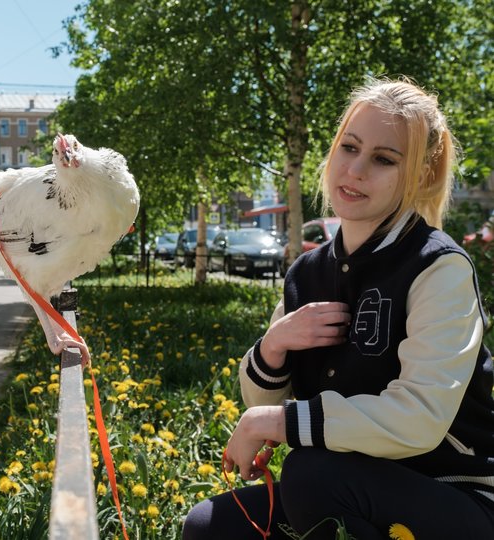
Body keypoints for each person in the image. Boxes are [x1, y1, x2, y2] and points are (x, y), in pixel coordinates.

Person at [183, 78, 494, 539]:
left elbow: (420, 419)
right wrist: (273, 346)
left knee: (311, 475)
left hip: (453, 495)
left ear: (421, 175)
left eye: (384, 159)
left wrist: (275, 422)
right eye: (349, 147)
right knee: (210, 525)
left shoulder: (438, 266)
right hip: (346, 483)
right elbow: (262, 401)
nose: (356, 169)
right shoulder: (306, 273)